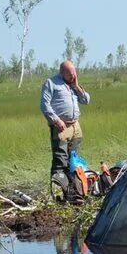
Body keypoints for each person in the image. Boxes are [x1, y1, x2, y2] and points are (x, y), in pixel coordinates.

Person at [41, 60, 91, 191]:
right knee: (60, 160)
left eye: (74, 73)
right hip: (61, 128)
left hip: (75, 127)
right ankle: (58, 192)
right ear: (62, 73)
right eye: (70, 75)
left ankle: (72, 189)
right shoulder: (51, 83)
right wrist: (56, 120)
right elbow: (44, 105)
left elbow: (86, 100)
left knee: (73, 159)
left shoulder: (73, 85)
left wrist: (76, 86)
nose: (73, 76)